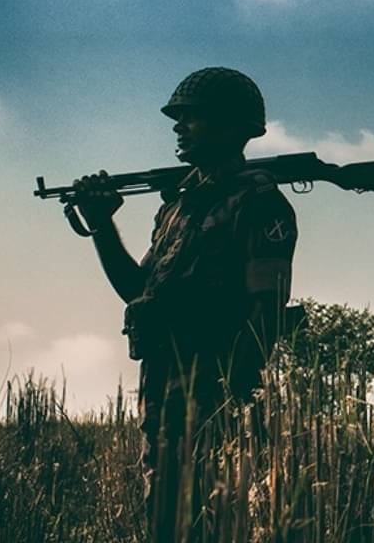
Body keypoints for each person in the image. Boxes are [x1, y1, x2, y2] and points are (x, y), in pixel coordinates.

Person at [72, 67, 296, 539]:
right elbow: (140, 292)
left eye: (194, 116)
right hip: (163, 401)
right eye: (179, 118)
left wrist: (229, 398)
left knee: (208, 525)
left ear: (236, 126)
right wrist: (100, 225)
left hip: (214, 401)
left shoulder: (259, 202)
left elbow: (268, 312)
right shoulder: (177, 207)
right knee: (167, 525)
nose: (179, 126)